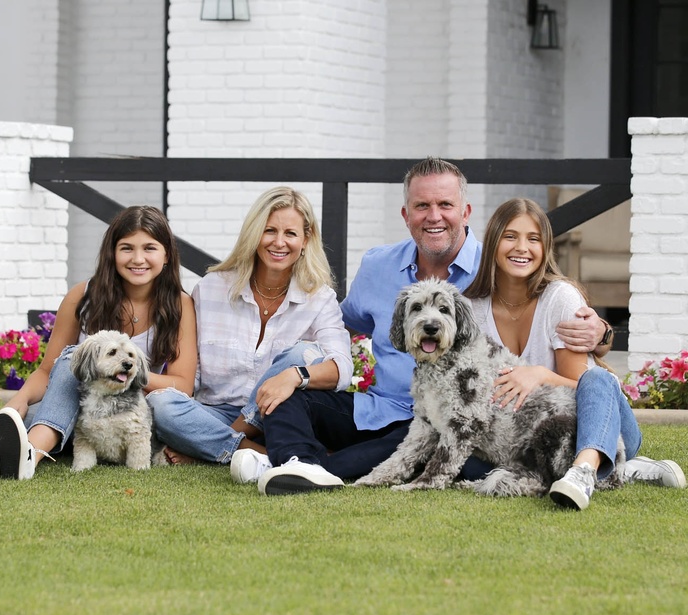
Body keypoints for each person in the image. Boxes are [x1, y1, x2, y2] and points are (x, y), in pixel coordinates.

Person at [246, 157, 613, 496]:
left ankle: (309, 467)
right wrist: (297, 365)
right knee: (290, 398)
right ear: (406, 214)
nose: (434, 216)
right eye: (422, 206)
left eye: (445, 205)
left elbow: (545, 290)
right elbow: (339, 327)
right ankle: (294, 460)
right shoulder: (378, 266)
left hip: (443, 420)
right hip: (378, 406)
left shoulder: (495, 268)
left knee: (383, 454)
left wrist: (602, 334)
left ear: (465, 212)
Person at [0, 206, 197, 481]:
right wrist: (17, 401)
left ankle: (28, 451)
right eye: (126, 248)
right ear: (112, 253)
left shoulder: (179, 304)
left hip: (129, 417)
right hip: (79, 411)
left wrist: (122, 372)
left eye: (149, 248)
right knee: (45, 394)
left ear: (167, 254)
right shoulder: (83, 296)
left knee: (69, 368)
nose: (137, 259)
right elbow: (48, 370)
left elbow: (182, 385)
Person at [463, 197, 685, 509]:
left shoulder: (560, 298)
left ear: (545, 248)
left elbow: (581, 389)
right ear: (493, 243)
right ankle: (622, 470)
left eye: (533, 239)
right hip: (530, 438)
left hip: (602, 426)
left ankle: (583, 472)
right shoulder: (472, 310)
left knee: (597, 378)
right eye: (510, 236)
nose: (521, 248)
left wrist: (539, 376)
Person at [148, 186, 352, 472]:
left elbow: (341, 368)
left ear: (305, 240)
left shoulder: (319, 298)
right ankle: (259, 453)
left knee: (302, 354)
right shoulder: (210, 288)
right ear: (253, 233)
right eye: (269, 230)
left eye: (290, 234)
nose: (279, 242)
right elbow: (190, 377)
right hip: (213, 414)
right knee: (162, 405)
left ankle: (214, 447)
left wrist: (296, 375)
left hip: (277, 416)